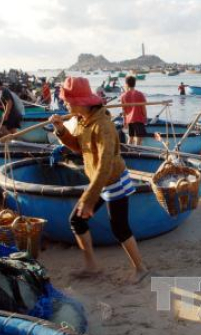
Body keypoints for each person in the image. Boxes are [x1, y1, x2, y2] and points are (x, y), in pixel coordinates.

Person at [48, 77, 149, 283]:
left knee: (119, 228)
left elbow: (105, 165)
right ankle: (92, 266)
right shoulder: (82, 121)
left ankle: (141, 268)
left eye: (68, 101)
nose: (65, 105)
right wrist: (61, 129)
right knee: (76, 220)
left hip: (113, 179)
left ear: (80, 101)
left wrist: (89, 198)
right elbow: (78, 147)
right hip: (99, 180)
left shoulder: (103, 125)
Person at [120, 76, 147, 145]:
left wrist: (124, 121)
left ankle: (129, 152)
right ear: (135, 83)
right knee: (139, 138)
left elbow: (124, 110)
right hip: (139, 118)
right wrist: (145, 116)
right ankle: (137, 152)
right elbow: (143, 107)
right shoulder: (140, 94)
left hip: (129, 120)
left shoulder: (123, 96)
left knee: (130, 137)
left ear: (126, 84)